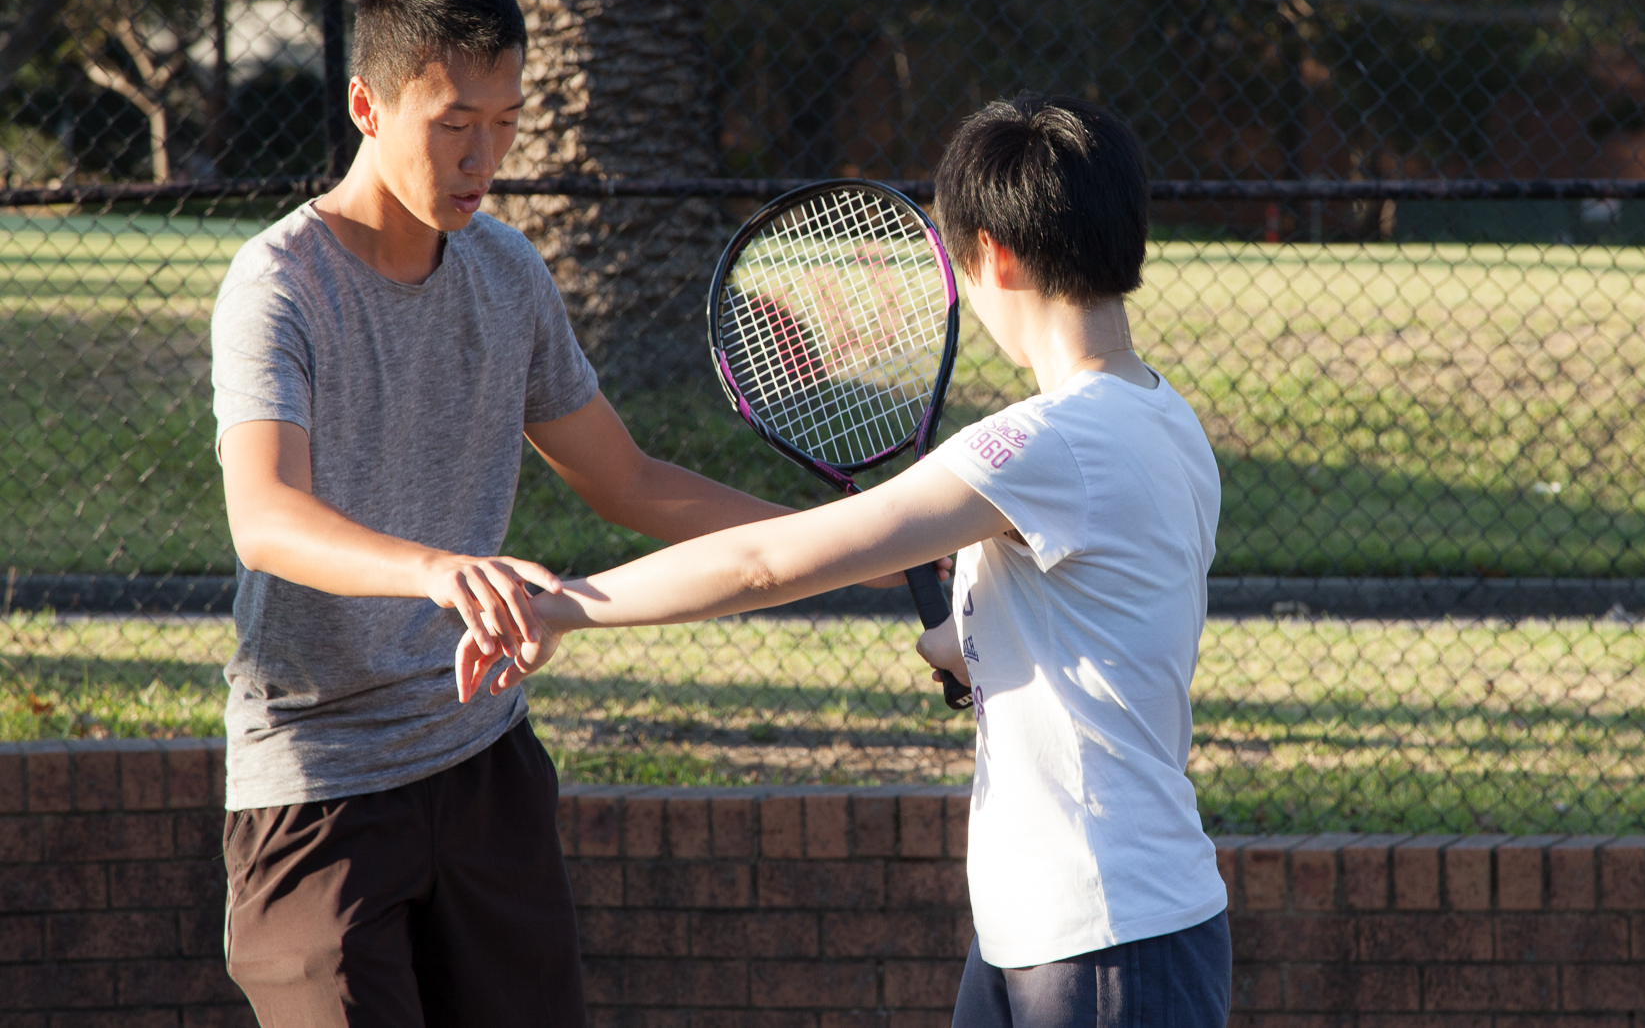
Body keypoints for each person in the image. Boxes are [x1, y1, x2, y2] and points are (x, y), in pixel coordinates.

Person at [462, 93, 1231, 1028]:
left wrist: (563, 605)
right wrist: (970, 644)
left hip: (1104, 938)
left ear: (991, 253)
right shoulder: (1165, 418)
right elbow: (1107, 628)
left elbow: (763, 563)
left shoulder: (1043, 446)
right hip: (1057, 926)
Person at [210, 0, 809, 1026]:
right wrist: (435, 569)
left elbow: (625, 480)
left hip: (483, 760)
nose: (483, 157)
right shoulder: (278, 285)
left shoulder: (508, 271)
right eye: (454, 126)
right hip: (317, 780)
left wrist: (849, 538)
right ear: (368, 106)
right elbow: (267, 518)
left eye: (506, 123)